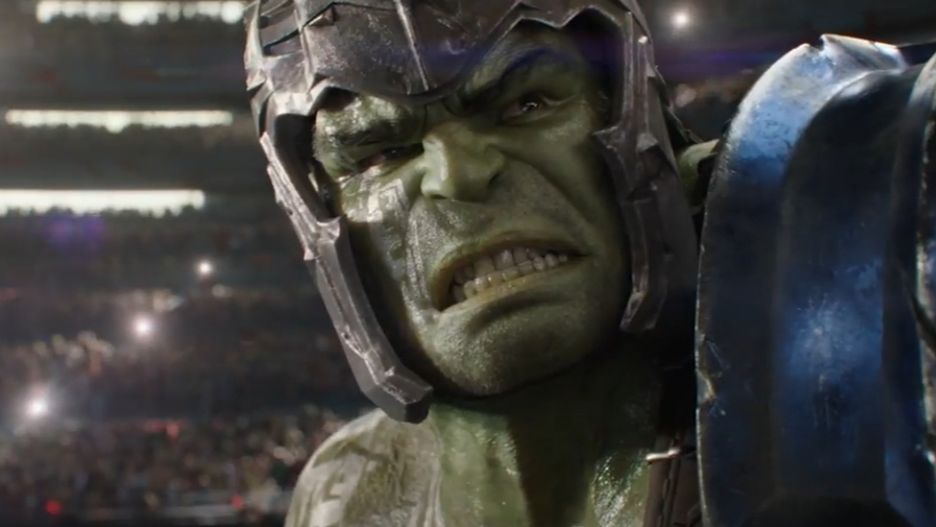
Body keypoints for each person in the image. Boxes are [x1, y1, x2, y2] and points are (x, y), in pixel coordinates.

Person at [243, 0, 936, 525]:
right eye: (380, 152)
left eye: (526, 103)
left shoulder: (860, 387)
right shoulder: (346, 496)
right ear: (318, 214)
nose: (459, 173)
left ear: (645, 130)